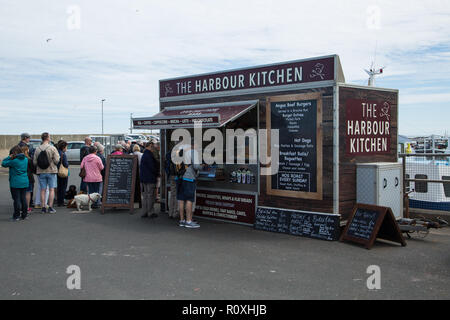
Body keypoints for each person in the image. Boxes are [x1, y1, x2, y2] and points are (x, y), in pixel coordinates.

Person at [176, 143, 202, 228]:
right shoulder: (193, 151)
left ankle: (182, 220)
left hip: (179, 177)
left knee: (181, 199)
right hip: (189, 178)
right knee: (189, 199)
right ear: (194, 144)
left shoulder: (179, 151)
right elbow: (196, 166)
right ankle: (188, 221)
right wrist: (202, 166)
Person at [33, 132, 60, 214]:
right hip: (51, 171)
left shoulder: (37, 149)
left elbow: (34, 162)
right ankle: (50, 207)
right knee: (51, 189)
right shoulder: (52, 148)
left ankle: (43, 207)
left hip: (41, 171)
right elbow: (57, 160)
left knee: (42, 190)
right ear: (48, 138)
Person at [2, 146, 29, 221]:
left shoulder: (14, 161)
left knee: (16, 199)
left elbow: (3, 163)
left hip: (15, 182)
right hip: (24, 181)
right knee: (23, 198)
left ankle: (16, 216)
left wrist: (9, 157)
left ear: (14, 153)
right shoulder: (26, 159)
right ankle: (24, 215)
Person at [140, 141, 158, 218]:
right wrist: (157, 173)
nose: (154, 148)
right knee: (150, 196)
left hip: (144, 178)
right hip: (150, 178)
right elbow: (152, 167)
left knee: (145, 196)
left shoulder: (144, 154)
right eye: (153, 147)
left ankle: (144, 212)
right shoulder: (149, 155)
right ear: (150, 146)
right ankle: (150, 212)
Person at [20, 145, 35, 215]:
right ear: (26, 151)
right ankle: (27, 207)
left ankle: (21, 207)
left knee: (21, 193)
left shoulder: (19, 159)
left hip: (21, 177)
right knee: (28, 193)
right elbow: (32, 169)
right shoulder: (29, 159)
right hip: (29, 177)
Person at [165, 144, 178, 219]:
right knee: (176, 194)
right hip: (176, 176)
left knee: (172, 194)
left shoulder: (168, 154)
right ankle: (175, 213)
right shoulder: (178, 155)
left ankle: (170, 212)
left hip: (170, 175)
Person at [56, 140, 69, 207]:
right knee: (63, 187)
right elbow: (66, 164)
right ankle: (61, 201)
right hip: (63, 171)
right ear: (64, 147)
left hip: (57, 171)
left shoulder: (57, 152)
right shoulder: (63, 154)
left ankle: (59, 201)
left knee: (59, 186)